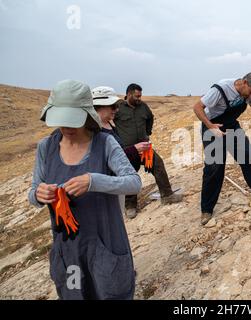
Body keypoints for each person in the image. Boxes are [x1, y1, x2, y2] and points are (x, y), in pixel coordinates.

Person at [28, 80, 141, 300]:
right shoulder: (46, 148)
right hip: (68, 250)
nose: (66, 127)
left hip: (105, 245)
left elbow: (133, 182)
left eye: (72, 120)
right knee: (74, 293)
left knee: (111, 292)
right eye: (61, 120)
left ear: (87, 115)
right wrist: (38, 195)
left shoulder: (105, 144)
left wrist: (93, 181)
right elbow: (34, 191)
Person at [193, 72, 251, 226]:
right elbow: (197, 107)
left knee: (250, 160)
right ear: (243, 82)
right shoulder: (221, 88)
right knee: (214, 167)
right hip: (212, 126)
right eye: (250, 92)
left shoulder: (250, 93)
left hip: (231, 127)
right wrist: (210, 127)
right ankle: (207, 209)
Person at [114, 83, 183, 219]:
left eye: (140, 96)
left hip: (145, 148)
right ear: (128, 94)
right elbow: (110, 122)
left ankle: (167, 195)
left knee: (158, 165)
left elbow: (150, 118)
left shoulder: (143, 107)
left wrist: (147, 132)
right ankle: (130, 206)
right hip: (129, 150)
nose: (139, 98)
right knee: (129, 175)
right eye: (137, 96)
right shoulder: (119, 108)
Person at [92, 86, 151, 217]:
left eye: (116, 106)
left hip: (115, 184)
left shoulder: (110, 124)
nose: (117, 110)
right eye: (113, 106)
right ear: (99, 107)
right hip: (104, 188)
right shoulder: (94, 132)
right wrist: (135, 149)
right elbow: (107, 158)